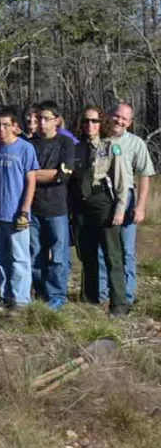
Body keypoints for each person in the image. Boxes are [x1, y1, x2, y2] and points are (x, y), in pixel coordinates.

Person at [74, 106, 130, 315]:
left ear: (101, 124)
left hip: (103, 202)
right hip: (82, 204)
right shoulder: (78, 148)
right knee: (86, 253)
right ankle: (90, 299)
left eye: (95, 121)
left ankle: (119, 304)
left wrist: (120, 210)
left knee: (112, 255)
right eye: (87, 121)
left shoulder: (110, 148)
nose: (90, 125)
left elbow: (121, 182)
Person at [99, 102, 153, 305]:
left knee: (126, 249)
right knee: (102, 248)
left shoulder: (136, 143)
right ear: (109, 115)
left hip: (127, 198)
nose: (119, 121)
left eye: (124, 119)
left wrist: (140, 206)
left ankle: (127, 295)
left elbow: (145, 175)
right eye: (116, 116)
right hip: (102, 197)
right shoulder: (99, 139)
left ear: (129, 123)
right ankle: (103, 294)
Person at [0, 107, 39, 309]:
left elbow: (31, 181)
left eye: (6, 124)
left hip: (16, 213)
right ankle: (5, 295)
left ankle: (21, 299)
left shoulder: (25, 148)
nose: (1, 128)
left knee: (19, 258)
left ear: (15, 126)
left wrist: (24, 210)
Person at [28, 101, 77, 309]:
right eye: (38, 118)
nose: (40, 122)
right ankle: (40, 291)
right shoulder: (29, 144)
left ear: (57, 120)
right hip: (33, 207)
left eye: (46, 118)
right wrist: (42, 175)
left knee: (58, 255)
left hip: (57, 208)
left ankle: (57, 295)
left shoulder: (66, 143)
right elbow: (24, 175)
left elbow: (63, 175)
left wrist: (33, 174)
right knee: (35, 252)